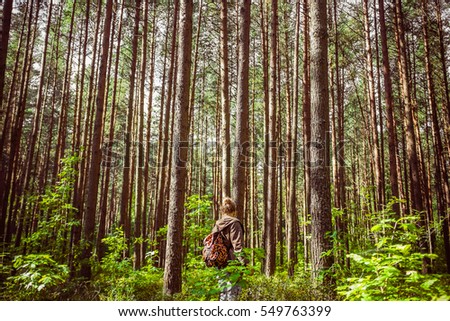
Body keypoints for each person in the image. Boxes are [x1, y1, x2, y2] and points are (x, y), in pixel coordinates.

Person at [212, 197, 247, 301]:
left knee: (223, 293)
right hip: (233, 263)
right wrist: (244, 263)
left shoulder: (217, 224)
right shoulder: (235, 223)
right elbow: (238, 245)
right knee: (233, 295)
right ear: (234, 211)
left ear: (223, 211)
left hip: (219, 262)